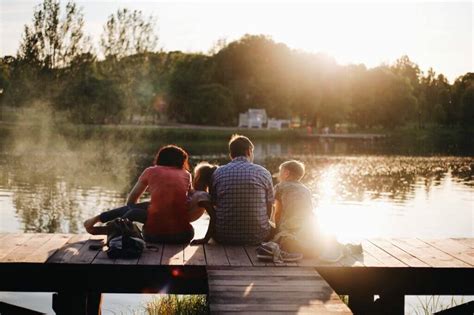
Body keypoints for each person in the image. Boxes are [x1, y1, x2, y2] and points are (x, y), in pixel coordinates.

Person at [83, 145, 195, 244]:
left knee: (134, 209)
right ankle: (105, 225)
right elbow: (184, 201)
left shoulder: (150, 171)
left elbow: (131, 201)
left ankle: (99, 220)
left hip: (153, 237)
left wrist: (138, 213)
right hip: (183, 236)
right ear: (181, 161)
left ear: (160, 158)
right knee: (148, 208)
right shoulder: (187, 175)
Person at [269, 160, 361, 262]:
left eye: (280, 171)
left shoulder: (280, 187)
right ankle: (344, 248)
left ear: (286, 173)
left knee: (286, 241)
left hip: (292, 227)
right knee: (316, 241)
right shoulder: (305, 189)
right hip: (311, 226)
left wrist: (275, 229)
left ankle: (337, 249)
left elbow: (275, 211)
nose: (278, 174)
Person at [211, 134, 274, 245]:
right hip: (258, 236)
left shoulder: (219, 172)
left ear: (231, 155)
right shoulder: (263, 172)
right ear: (249, 151)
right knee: (275, 228)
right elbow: (269, 205)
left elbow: (214, 203)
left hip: (223, 236)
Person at [188, 162, 218, 245]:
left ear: (198, 178)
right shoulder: (202, 197)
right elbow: (213, 216)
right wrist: (206, 239)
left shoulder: (194, 193)